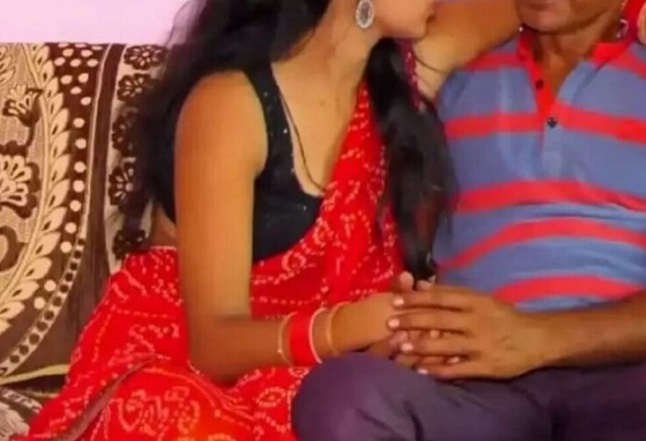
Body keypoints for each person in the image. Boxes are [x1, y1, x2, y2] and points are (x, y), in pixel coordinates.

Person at [15, 0, 519, 440]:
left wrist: (393, 334)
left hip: (326, 375)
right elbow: (213, 344)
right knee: (173, 414)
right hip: (185, 354)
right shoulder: (231, 106)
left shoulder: (400, 80)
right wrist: (342, 329)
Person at [291, 0, 646, 440]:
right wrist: (408, 316)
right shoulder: (454, 69)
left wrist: (539, 338)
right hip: (475, 383)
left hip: (625, 375)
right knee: (343, 396)